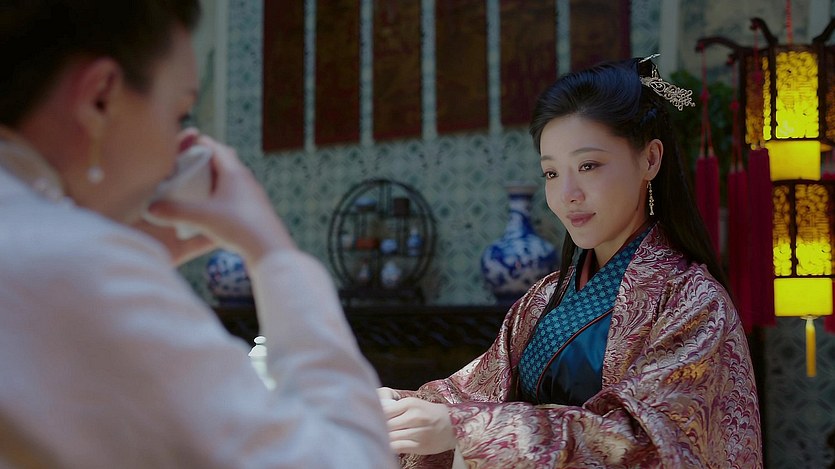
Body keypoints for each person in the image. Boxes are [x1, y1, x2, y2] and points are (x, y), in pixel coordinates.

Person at [0, 1, 397, 467]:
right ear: (100, 98)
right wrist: (272, 251)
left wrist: (125, 253)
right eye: (181, 114)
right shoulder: (79, 263)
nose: (176, 150)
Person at [379, 57, 762, 468]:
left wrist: (467, 429)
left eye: (588, 166)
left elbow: (648, 447)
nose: (567, 194)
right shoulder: (543, 299)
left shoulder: (693, 302)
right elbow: (470, 396)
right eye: (551, 174)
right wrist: (396, 407)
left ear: (650, 159)